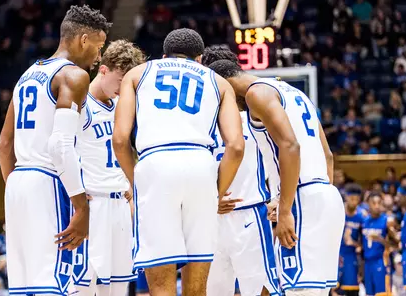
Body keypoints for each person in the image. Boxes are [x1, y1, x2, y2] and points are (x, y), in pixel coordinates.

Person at [113, 28, 244, 296]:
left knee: (161, 285)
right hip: (201, 164)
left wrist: (136, 181)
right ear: (199, 59)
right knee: (197, 287)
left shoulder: (137, 74)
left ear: (163, 56)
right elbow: (236, 146)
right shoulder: (219, 82)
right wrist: (215, 192)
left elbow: (119, 139)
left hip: (155, 162)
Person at [0, 5, 111, 295]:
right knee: (57, 284)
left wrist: (19, 196)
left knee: (27, 287)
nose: (98, 58)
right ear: (83, 40)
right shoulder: (74, 76)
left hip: (18, 182)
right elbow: (60, 146)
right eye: (98, 47)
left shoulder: (26, 75)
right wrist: (81, 207)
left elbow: (4, 145)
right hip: (48, 179)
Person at [207, 55, 344, 295]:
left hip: (302, 199)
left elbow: (290, 147)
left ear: (226, 85)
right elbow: (328, 156)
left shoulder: (255, 94)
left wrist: (287, 208)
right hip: (327, 196)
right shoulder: (293, 92)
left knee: (295, 292)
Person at [73, 39, 145, 295]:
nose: (123, 88)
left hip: (121, 206)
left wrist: (129, 181)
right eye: (120, 80)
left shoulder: (121, 106)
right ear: (103, 70)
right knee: (84, 286)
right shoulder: (80, 104)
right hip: (94, 204)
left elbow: (128, 149)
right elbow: (61, 151)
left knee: (118, 289)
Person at [205, 94, 280, 296]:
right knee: (212, 291)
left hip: (249, 213)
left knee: (260, 289)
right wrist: (208, 201)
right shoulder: (201, 121)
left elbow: (277, 157)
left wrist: (277, 196)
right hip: (209, 217)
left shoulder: (252, 120)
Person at [362, 193, 398, 296]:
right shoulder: (365, 221)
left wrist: (380, 239)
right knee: (369, 294)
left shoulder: (387, 221)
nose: (377, 206)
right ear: (368, 204)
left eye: (379, 203)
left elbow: (395, 245)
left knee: (382, 294)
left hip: (381, 262)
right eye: (374, 203)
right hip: (367, 263)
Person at [338, 184, 365, 295]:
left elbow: (363, 244)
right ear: (346, 198)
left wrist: (352, 242)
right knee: (332, 289)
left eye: (356, 199)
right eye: (352, 199)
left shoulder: (361, 216)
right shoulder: (337, 211)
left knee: (351, 290)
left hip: (351, 257)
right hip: (335, 254)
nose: (354, 202)